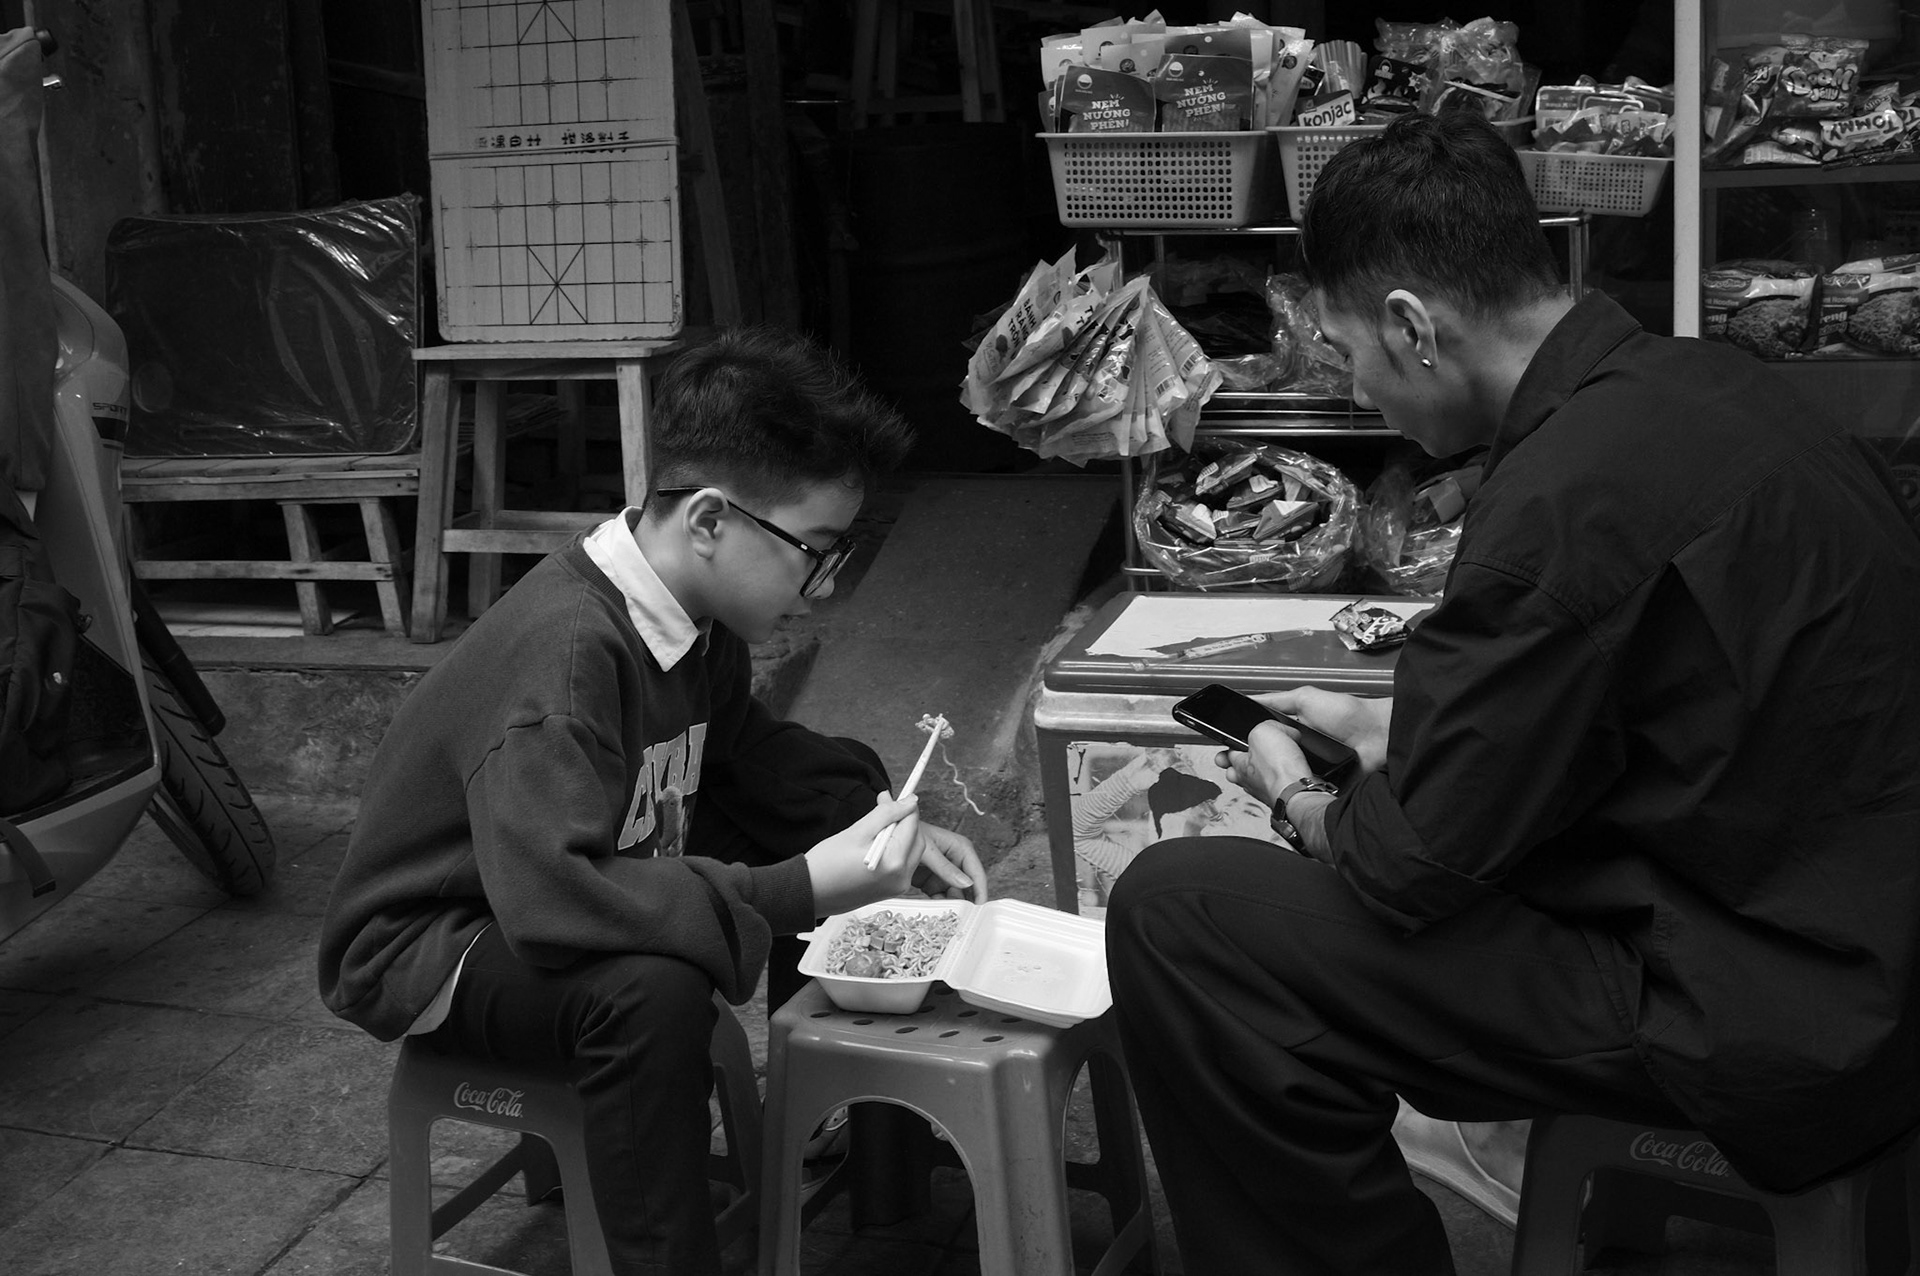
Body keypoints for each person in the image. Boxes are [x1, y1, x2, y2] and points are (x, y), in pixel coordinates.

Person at [1105, 110, 1920, 1275]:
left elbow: (1403, 867)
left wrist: (1294, 789)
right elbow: (1645, 702)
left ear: (1412, 327)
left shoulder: (1552, 505)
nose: (1362, 393)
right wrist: (1400, 728)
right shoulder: (1712, 384)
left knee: (1185, 914)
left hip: (1766, 1014)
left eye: (1350, 356)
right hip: (1855, 942)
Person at [317, 328, 987, 1276]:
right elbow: (553, 904)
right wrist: (797, 890)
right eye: (817, 552)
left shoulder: (695, 619)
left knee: (829, 791)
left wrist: (885, 820)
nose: (824, 586)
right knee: (650, 995)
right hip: (440, 936)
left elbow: (749, 756)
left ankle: (866, 1151)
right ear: (710, 520)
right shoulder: (568, 656)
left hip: (555, 873)